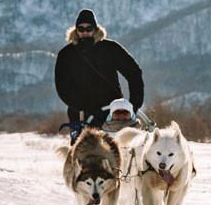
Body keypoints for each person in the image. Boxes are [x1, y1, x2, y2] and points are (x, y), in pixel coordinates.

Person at [54, 8, 144, 143]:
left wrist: (134, 104)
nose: (85, 32)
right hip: (81, 113)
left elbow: (134, 72)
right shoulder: (66, 54)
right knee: (83, 152)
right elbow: (63, 88)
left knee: (118, 149)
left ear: (95, 29)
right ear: (76, 30)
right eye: (81, 28)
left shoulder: (110, 48)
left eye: (89, 28)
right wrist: (83, 106)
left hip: (113, 113)